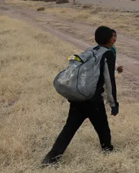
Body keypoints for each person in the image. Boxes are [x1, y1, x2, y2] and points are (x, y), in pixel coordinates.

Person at [41, 26, 119, 166]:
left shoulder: (90, 50)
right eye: (113, 36)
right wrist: (113, 104)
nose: (115, 39)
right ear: (108, 39)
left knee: (69, 129)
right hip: (93, 100)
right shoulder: (108, 54)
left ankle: (51, 159)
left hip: (77, 98)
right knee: (102, 127)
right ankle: (108, 151)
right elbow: (109, 81)